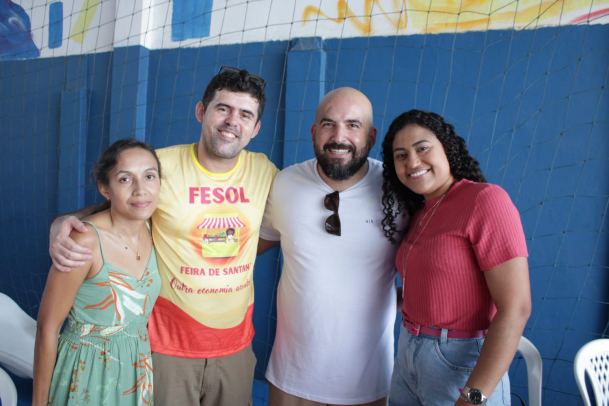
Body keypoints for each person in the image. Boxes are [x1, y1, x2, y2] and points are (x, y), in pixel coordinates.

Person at [48, 67, 278, 406]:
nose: (232, 121)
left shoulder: (264, 171)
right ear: (201, 111)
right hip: (168, 347)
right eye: (223, 108)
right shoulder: (161, 166)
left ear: (255, 128)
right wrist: (62, 222)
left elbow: (273, 232)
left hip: (235, 347)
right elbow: (114, 207)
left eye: (245, 114)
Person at [257, 87, 406, 406]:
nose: (339, 137)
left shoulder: (398, 189)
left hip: (369, 384)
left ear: (371, 135)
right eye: (328, 124)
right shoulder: (284, 183)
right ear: (313, 131)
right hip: (291, 380)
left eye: (353, 125)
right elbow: (248, 248)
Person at [380, 110, 531, 406]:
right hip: (407, 354)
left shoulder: (485, 199)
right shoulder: (421, 213)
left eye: (422, 148)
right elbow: (429, 290)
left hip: (461, 363)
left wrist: (474, 396)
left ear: (447, 148)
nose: (413, 162)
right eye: (401, 155)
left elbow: (516, 308)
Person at [33, 139, 162, 406]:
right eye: (125, 179)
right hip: (86, 371)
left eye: (149, 176)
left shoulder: (154, 227)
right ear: (105, 188)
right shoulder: (85, 241)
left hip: (135, 371)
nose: (140, 189)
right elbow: (47, 328)